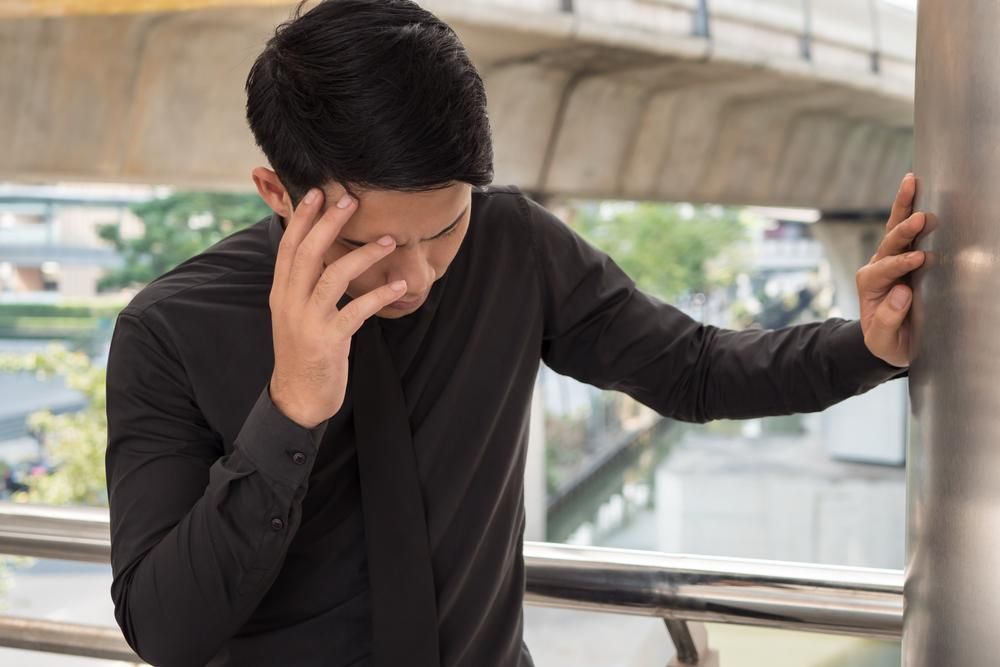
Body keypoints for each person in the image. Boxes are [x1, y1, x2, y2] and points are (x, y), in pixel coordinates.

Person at [103, 1, 923, 665]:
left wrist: (869, 346)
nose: (417, 278)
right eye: (372, 245)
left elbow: (693, 369)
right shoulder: (169, 331)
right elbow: (165, 629)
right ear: (279, 193)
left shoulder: (512, 244)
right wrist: (289, 410)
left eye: (445, 228)